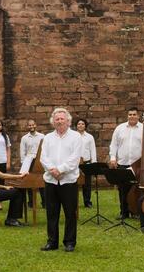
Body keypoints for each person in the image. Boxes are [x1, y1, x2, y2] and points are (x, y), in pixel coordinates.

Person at [40, 108, 82, 252]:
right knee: (51, 213)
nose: (59, 121)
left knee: (70, 213)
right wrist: (52, 170)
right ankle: (52, 241)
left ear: (68, 121)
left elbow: (75, 158)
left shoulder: (76, 137)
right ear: (53, 122)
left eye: (62, 119)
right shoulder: (47, 138)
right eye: (56, 119)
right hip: (51, 180)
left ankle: (69, 242)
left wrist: (61, 170)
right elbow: (43, 158)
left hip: (68, 180)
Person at [108, 107, 144, 219]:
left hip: (138, 164)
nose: (132, 116)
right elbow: (114, 145)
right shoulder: (119, 128)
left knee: (137, 188)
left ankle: (136, 211)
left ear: (138, 116)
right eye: (130, 114)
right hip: (123, 163)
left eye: (134, 114)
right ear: (127, 116)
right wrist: (113, 157)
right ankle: (124, 212)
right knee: (122, 189)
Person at [19, 119, 45, 208]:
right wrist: (23, 164)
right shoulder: (24, 138)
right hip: (28, 161)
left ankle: (44, 202)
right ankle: (31, 203)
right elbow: (22, 152)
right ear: (27, 126)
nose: (31, 126)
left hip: (39, 161)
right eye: (29, 125)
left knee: (42, 181)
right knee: (29, 182)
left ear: (35, 125)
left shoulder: (42, 136)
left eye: (33, 125)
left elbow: (45, 150)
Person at [75, 118, 97, 208]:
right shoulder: (72, 136)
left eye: (82, 124)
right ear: (76, 126)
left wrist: (94, 163)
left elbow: (93, 150)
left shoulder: (89, 137)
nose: (80, 125)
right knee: (74, 183)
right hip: (75, 163)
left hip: (86, 162)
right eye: (79, 124)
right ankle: (73, 202)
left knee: (87, 183)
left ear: (85, 126)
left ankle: (87, 202)